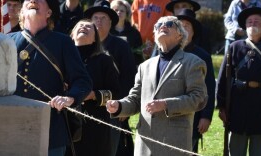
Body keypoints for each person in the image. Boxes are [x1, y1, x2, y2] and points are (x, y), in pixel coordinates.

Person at [106, 16, 208, 156]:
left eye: (169, 24)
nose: (163, 26)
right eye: (159, 24)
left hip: (174, 144)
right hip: (145, 144)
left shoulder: (193, 62)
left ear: (180, 34)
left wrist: (166, 104)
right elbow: (136, 99)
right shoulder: (144, 66)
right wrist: (119, 106)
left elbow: (198, 99)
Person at [8, 0, 92, 155]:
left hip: (50, 130)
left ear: (49, 12)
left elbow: (83, 81)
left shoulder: (63, 42)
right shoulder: (7, 42)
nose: (33, 0)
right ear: (21, 12)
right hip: (10, 128)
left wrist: (70, 98)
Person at [217, 7, 261, 156]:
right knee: (235, 152)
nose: (252, 23)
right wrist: (222, 106)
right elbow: (223, 79)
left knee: (259, 152)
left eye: (257, 21)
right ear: (245, 26)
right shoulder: (234, 47)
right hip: (237, 109)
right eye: (249, 21)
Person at [83, 1, 137, 155]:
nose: (99, 21)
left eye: (103, 17)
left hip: (112, 108)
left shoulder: (121, 46)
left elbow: (129, 77)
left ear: (111, 22)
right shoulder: (82, 42)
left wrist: (123, 106)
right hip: (85, 107)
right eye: (95, 17)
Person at [70, 19, 121, 156]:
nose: (84, 27)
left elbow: (116, 93)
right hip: (66, 123)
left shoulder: (104, 60)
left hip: (95, 125)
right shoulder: (63, 58)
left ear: (95, 39)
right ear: (72, 35)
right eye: (80, 26)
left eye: (89, 27)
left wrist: (93, 95)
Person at [175, 9, 215, 154]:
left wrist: (206, 116)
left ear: (193, 32)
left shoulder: (202, 56)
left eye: (187, 26)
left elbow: (209, 87)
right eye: (179, 25)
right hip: (166, 116)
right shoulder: (164, 53)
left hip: (193, 115)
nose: (183, 29)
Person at [110, 0, 143, 66]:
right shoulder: (107, 31)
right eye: (116, 10)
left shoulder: (134, 33)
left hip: (129, 68)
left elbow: (139, 56)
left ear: (127, 14)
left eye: (122, 11)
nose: (119, 12)